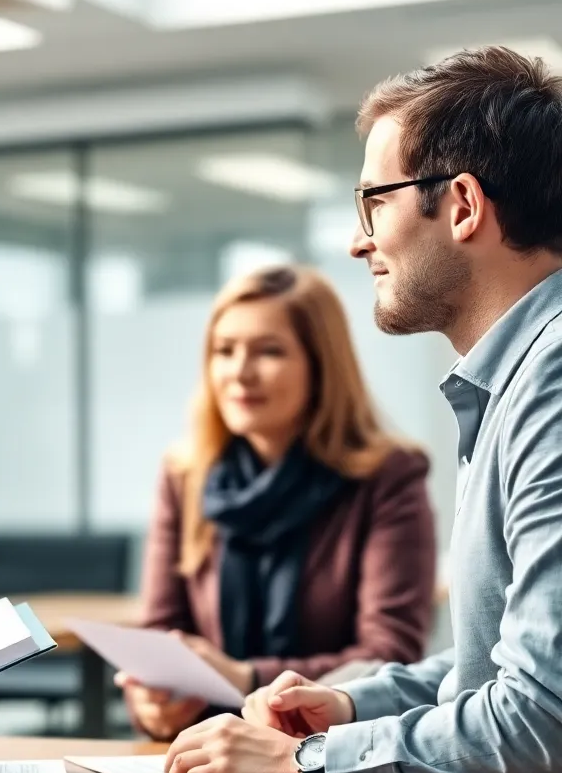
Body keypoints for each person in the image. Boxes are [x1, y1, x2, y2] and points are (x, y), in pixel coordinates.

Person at [163, 45, 562, 773]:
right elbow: (507, 664)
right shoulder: (512, 380)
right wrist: (351, 706)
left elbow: (547, 718)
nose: (358, 241)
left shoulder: (554, 378)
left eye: (374, 201)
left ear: (464, 206)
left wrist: (309, 760)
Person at [118, 265, 436, 742]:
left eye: (269, 351)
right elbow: (162, 640)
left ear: (320, 365)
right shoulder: (185, 476)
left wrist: (245, 678)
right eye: (224, 351)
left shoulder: (387, 478)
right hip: (204, 755)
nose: (240, 373)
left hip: (331, 757)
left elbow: (388, 656)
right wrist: (154, 706)